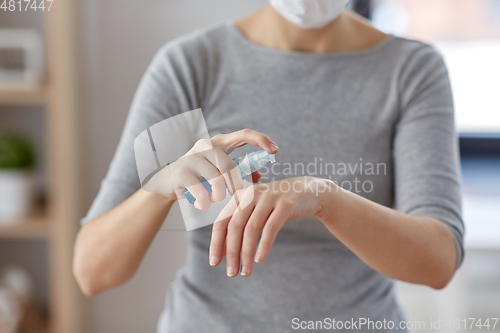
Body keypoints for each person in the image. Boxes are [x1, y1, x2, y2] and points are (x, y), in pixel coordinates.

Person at [73, 0, 464, 332]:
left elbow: (438, 263)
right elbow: (93, 272)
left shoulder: (411, 70)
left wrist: (325, 198)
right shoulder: (192, 64)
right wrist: (164, 183)